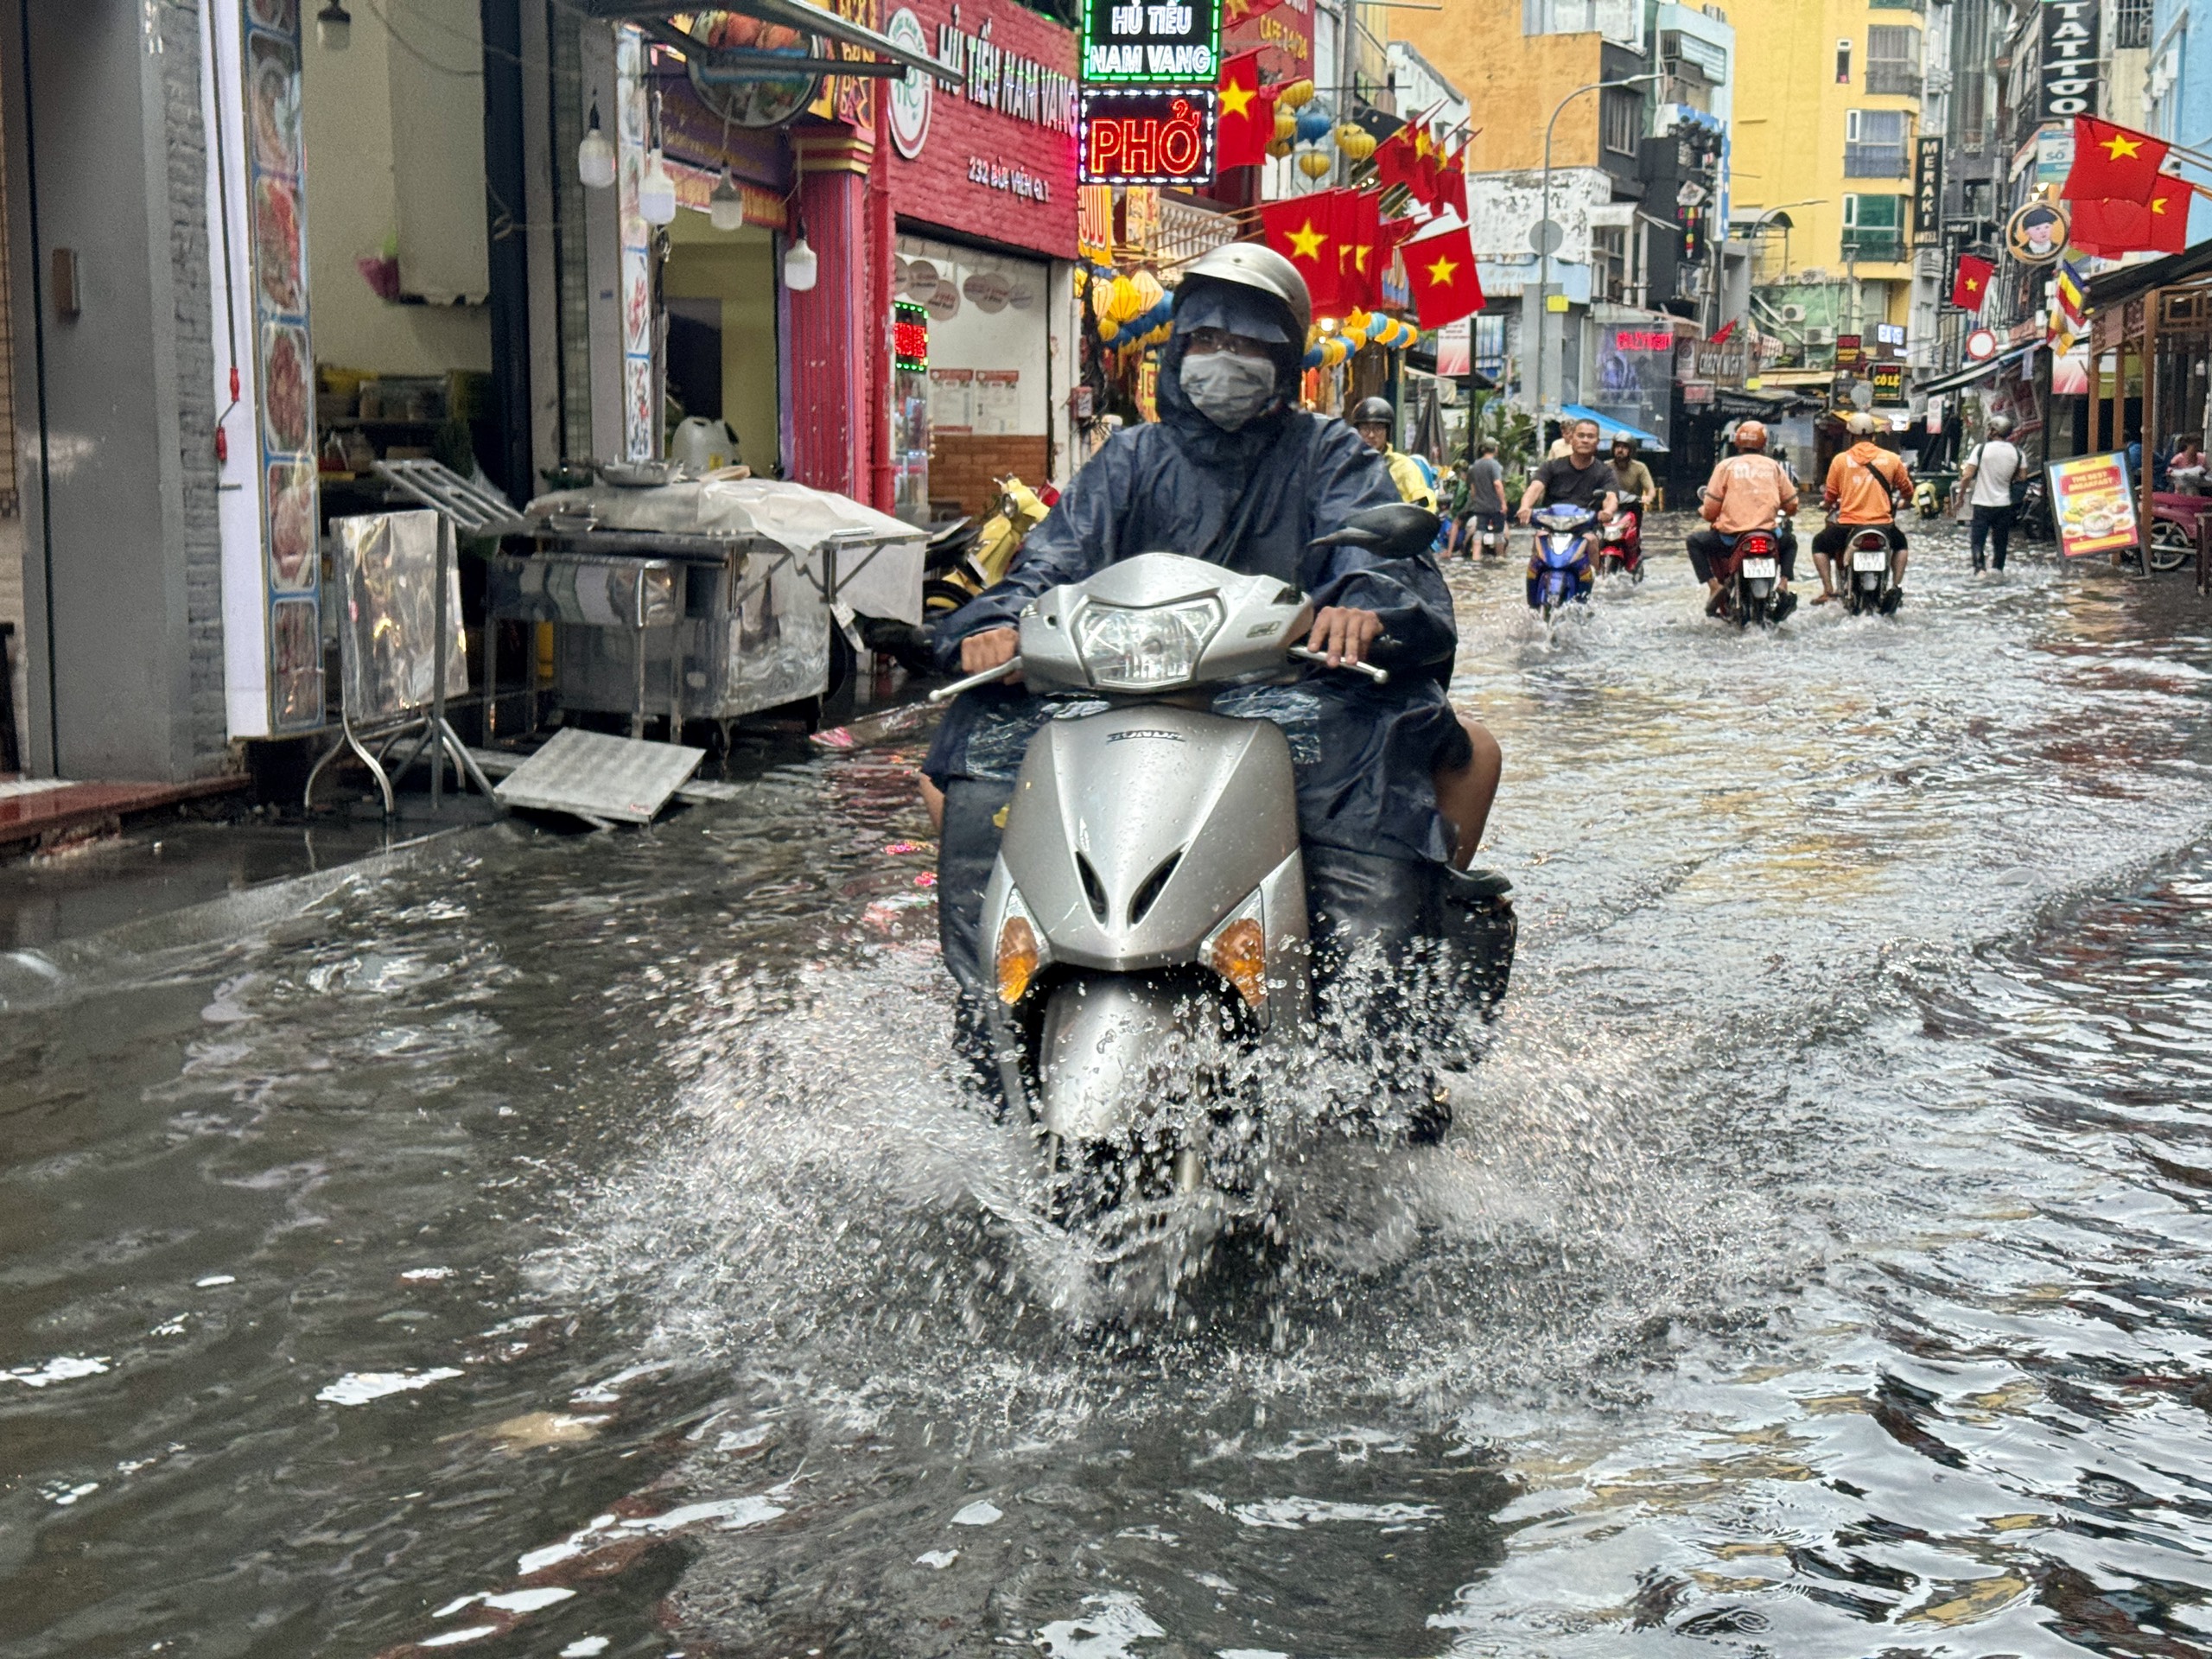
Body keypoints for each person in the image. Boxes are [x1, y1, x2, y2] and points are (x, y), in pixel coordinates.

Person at [924, 243, 1503, 1035]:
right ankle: (995, 1027)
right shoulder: (1128, 459)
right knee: (966, 754)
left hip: (1292, 700)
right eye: (1208, 342)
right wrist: (995, 626)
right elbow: (1053, 559)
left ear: (1285, 360)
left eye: (1250, 347)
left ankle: (1373, 1040)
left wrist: (1361, 604)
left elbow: (1371, 557)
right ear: (1178, 349)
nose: (1225, 363)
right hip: (1118, 697)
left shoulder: (1329, 454)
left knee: (1418, 755)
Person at [1686, 421, 1800, 620]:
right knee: (1790, 542)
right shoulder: (1774, 467)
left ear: (1737, 444)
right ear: (1764, 445)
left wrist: (1703, 510)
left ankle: (1714, 587)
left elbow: (1711, 511)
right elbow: (1792, 506)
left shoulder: (1725, 466)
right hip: (1768, 536)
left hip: (1732, 539)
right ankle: (1783, 584)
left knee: (1694, 541)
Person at [1813, 411, 1913, 603]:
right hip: (1883, 526)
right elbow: (1907, 490)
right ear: (1873, 436)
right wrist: (1906, 502)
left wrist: (1825, 505)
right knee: (1901, 545)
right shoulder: (1892, 459)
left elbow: (1831, 496)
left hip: (1848, 527)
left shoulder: (1840, 460)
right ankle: (1895, 587)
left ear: (1851, 436)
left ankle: (1828, 589)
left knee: (1818, 544)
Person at [1517, 417, 1619, 525]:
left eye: (1590, 437)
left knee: (1592, 540)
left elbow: (1610, 496)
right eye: (1580, 435)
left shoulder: (1605, 472)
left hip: (1585, 527)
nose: (1585, 440)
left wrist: (1608, 511)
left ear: (1597, 442)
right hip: (1550, 525)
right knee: (1540, 537)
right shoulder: (1551, 466)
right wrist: (1525, 507)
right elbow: (1535, 488)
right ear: (1571, 439)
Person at [1958, 414, 2023, 574]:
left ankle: (1980, 569)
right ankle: (1998, 569)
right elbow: (2022, 476)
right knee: (2001, 542)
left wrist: (1960, 497)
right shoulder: (2017, 452)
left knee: (1977, 541)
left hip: (1982, 504)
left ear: (1994, 431)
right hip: (2004, 505)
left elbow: (1967, 475)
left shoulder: (1981, 449)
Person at [1352, 397, 1439, 512]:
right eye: (1365, 428)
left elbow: (1423, 503)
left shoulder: (1403, 467)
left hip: (1391, 528)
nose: (1371, 435)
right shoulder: (1347, 466)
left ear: (1387, 432)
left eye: (1378, 428)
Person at [1459, 437, 1508, 561]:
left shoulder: (1474, 466)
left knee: (1479, 531)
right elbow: (1497, 484)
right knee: (1499, 533)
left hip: (1480, 506)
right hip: (1495, 506)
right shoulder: (1495, 465)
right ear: (1495, 449)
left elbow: (1472, 488)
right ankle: (1500, 556)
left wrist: (1477, 500)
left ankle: (1475, 557)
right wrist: (1503, 503)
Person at [1607, 436, 1658, 508]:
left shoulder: (1640, 467)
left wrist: (1649, 497)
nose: (1620, 450)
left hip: (1632, 507)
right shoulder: (1606, 466)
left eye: (1625, 447)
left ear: (1631, 451)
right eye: (1617, 446)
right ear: (1613, 449)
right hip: (1610, 507)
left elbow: (1650, 488)